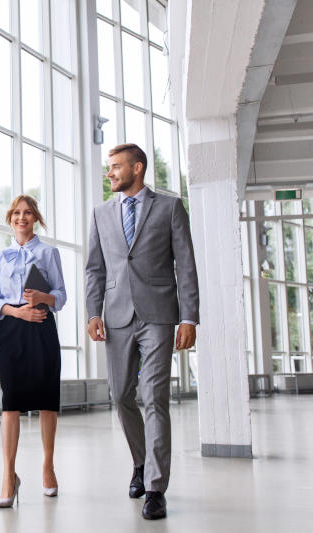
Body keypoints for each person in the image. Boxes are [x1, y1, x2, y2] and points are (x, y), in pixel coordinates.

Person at [85, 143, 199, 520]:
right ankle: (140, 461)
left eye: (116, 167)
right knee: (120, 395)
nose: (110, 173)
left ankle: (155, 487)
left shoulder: (169, 207)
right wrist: (92, 311)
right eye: (108, 168)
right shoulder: (101, 213)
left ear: (137, 168)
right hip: (116, 316)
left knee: (155, 396)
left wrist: (189, 317)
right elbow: (95, 268)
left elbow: (185, 264)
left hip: (160, 315)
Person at [0, 195, 66, 508]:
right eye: (17, 213)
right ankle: (8, 474)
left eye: (28, 213)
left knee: (47, 399)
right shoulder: (0, 256)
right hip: (12, 330)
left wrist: (43, 298)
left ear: (35, 218)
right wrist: (19, 312)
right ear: (10, 218)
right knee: (11, 403)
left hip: (43, 327)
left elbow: (61, 296)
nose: (22, 218)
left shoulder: (48, 252)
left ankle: (47, 466)